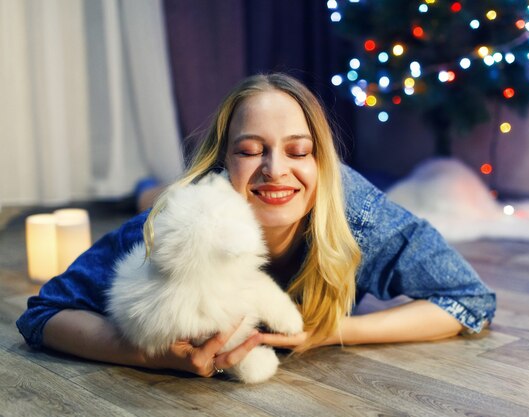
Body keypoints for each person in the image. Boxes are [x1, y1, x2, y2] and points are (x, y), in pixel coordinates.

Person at [16, 73, 496, 377]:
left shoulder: (357, 213)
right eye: (249, 151)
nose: (275, 169)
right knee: (160, 196)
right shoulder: (178, 222)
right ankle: (147, 188)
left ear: (322, 162)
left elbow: (470, 301)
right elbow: (43, 315)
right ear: (223, 162)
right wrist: (155, 356)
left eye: (298, 150)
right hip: (179, 194)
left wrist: (330, 331)